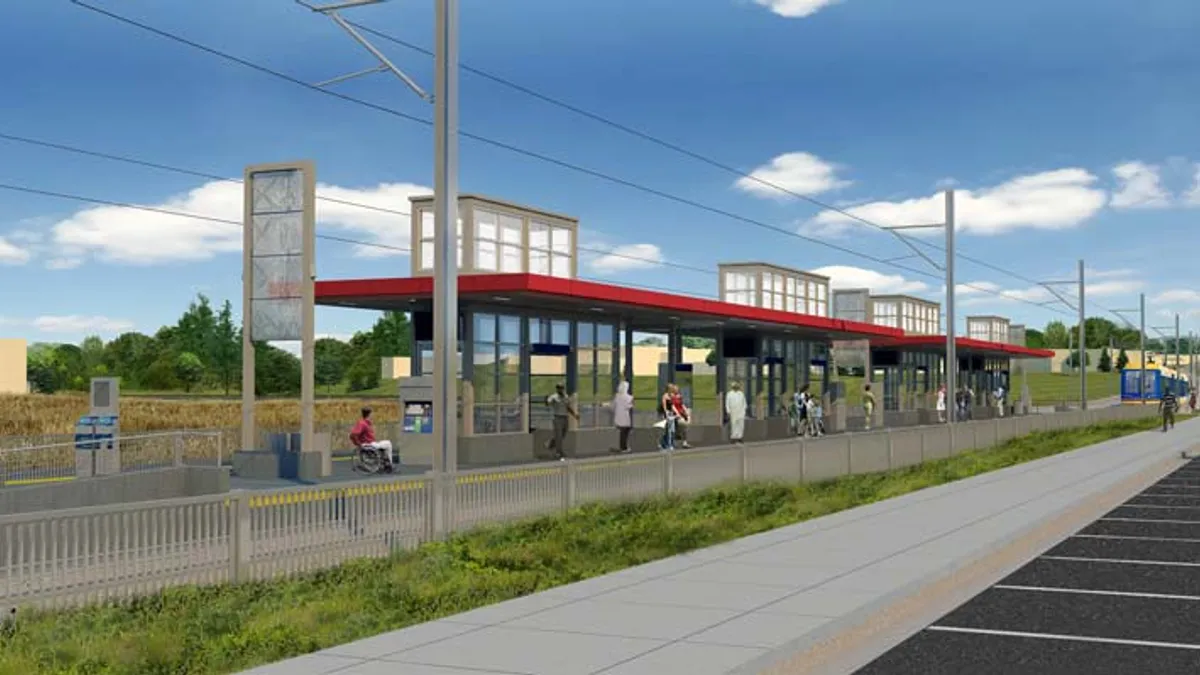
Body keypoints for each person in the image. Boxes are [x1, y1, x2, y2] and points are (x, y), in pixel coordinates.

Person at [350, 406, 394, 471]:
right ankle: (390, 464)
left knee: (383, 444)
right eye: (371, 414)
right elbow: (353, 435)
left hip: (370, 443)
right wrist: (359, 444)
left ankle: (385, 463)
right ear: (369, 414)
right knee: (388, 443)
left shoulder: (365, 423)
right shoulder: (362, 424)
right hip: (369, 444)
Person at [545, 383, 578, 461]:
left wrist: (574, 415)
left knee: (563, 434)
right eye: (559, 388)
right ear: (557, 389)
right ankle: (559, 452)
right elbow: (548, 403)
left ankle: (550, 443)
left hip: (565, 418)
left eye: (562, 388)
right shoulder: (554, 397)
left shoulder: (566, 396)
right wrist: (546, 399)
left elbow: (568, 407)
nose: (561, 389)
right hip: (557, 417)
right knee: (559, 436)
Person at [611, 381, 634, 454]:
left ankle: (623, 447)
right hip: (625, 416)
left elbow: (613, 406)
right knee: (625, 432)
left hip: (618, 417)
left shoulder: (617, 396)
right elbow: (629, 406)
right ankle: (624, 447)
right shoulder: (629, 397)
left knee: (622, 432)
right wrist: (632, 404)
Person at [669, 383, 692, 449]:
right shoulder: (671, 397)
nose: (677, 390)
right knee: (677, 428)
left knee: (684, 428)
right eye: (675, 389)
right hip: (675, 415)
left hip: (682, 413)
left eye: (678, 389)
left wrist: (686, 411)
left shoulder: (679, 396)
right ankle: (673, 442)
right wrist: (677, 414)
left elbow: (682, 405)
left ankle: (684, 443)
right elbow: (672, 406)